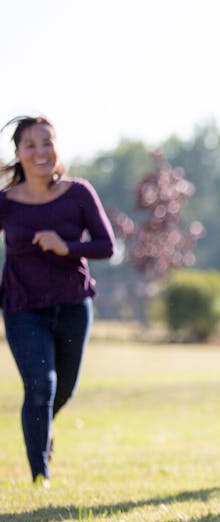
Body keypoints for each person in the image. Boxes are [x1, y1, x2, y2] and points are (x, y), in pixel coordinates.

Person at [0, 115, 115, 488]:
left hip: (72, 304)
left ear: (57, 147)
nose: (40, 152)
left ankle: (42, 432)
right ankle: (40, 475)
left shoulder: (78, 192)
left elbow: (107, 245)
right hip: (22, 307)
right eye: (30, 145)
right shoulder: (6, 203)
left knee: (62, 389)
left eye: (46, 143)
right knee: (40, 385)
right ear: (17, 154)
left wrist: (67, 247)